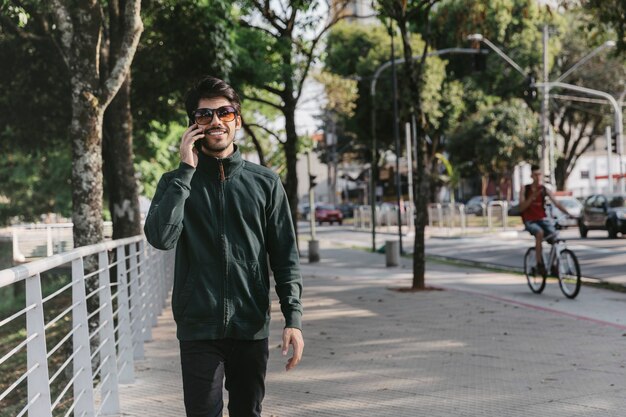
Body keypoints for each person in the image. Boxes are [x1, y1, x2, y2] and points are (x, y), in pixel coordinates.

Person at [144, 75, 304, 417]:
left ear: (237, 120)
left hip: (250, 325)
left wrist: (294, 318)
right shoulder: (174, 184)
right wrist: (186, 172)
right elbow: (161, 238)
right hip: (198, 326)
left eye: (225, 113)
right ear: (193, 125)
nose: (216, 121)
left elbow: (285, 257)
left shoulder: (265, 183)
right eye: (205, 115)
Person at [518, 164, 571, 275]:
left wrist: (569, 213)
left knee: (555, 237)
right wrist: (532, 197)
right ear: (531, 176)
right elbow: (521, 207)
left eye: (539, 175)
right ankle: (539, 264)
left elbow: (556, 203)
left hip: (542, 219)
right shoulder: (525, 189)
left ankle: (553, 265)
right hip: (529, 220)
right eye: (536, 175)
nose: (538, 177)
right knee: (539, 233)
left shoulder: (543, 189)